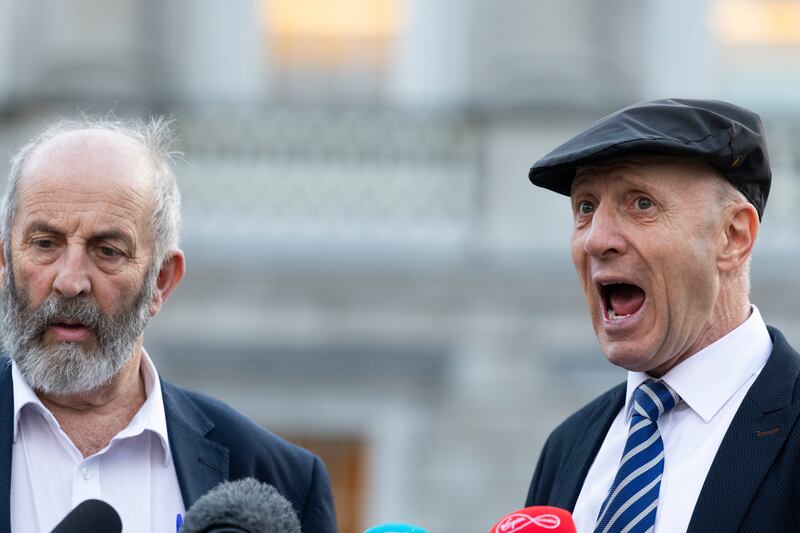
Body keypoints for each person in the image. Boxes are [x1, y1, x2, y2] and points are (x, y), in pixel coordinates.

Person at [0, 118, 337, 532]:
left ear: (161, 280)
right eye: (45, 244)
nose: (70, 281)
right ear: (4, 262)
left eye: (107, 250)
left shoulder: (280, 480)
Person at [524, 99, 800, 532]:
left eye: (641, 204)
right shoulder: (567, 446)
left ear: (733, 236)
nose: (597, 240)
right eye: (585, 207)